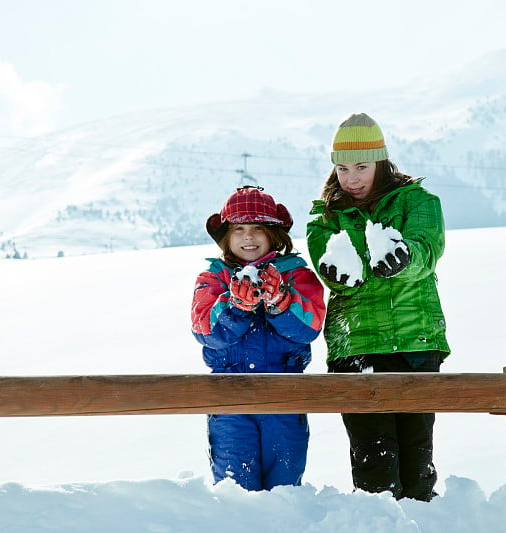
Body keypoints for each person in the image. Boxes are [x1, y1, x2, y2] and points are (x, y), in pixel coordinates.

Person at [306, 112, 450, 502]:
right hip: (357, 348)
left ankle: (423, 524)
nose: (351, 178)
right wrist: (339, 273)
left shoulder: (419, 202)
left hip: (416, 342)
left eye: (361, 167)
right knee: (374, 465)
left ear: (381, 162)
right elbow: (328, 265)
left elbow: (426, 250)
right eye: (343, 168)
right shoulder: (325, 217)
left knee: (416, 459)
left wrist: (405, 259)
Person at [191, 185, 325, 491]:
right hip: (229, 398)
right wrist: (235, 306)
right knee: (236, 491)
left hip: (285, 395)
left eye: (257, 228)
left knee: (284, 489)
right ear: (226, 235)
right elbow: (206, 331)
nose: (247, 236)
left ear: (273, 235)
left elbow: (309, 328)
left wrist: (281, 301)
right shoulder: (213, 278)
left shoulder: (297, 275)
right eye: (238, 228)